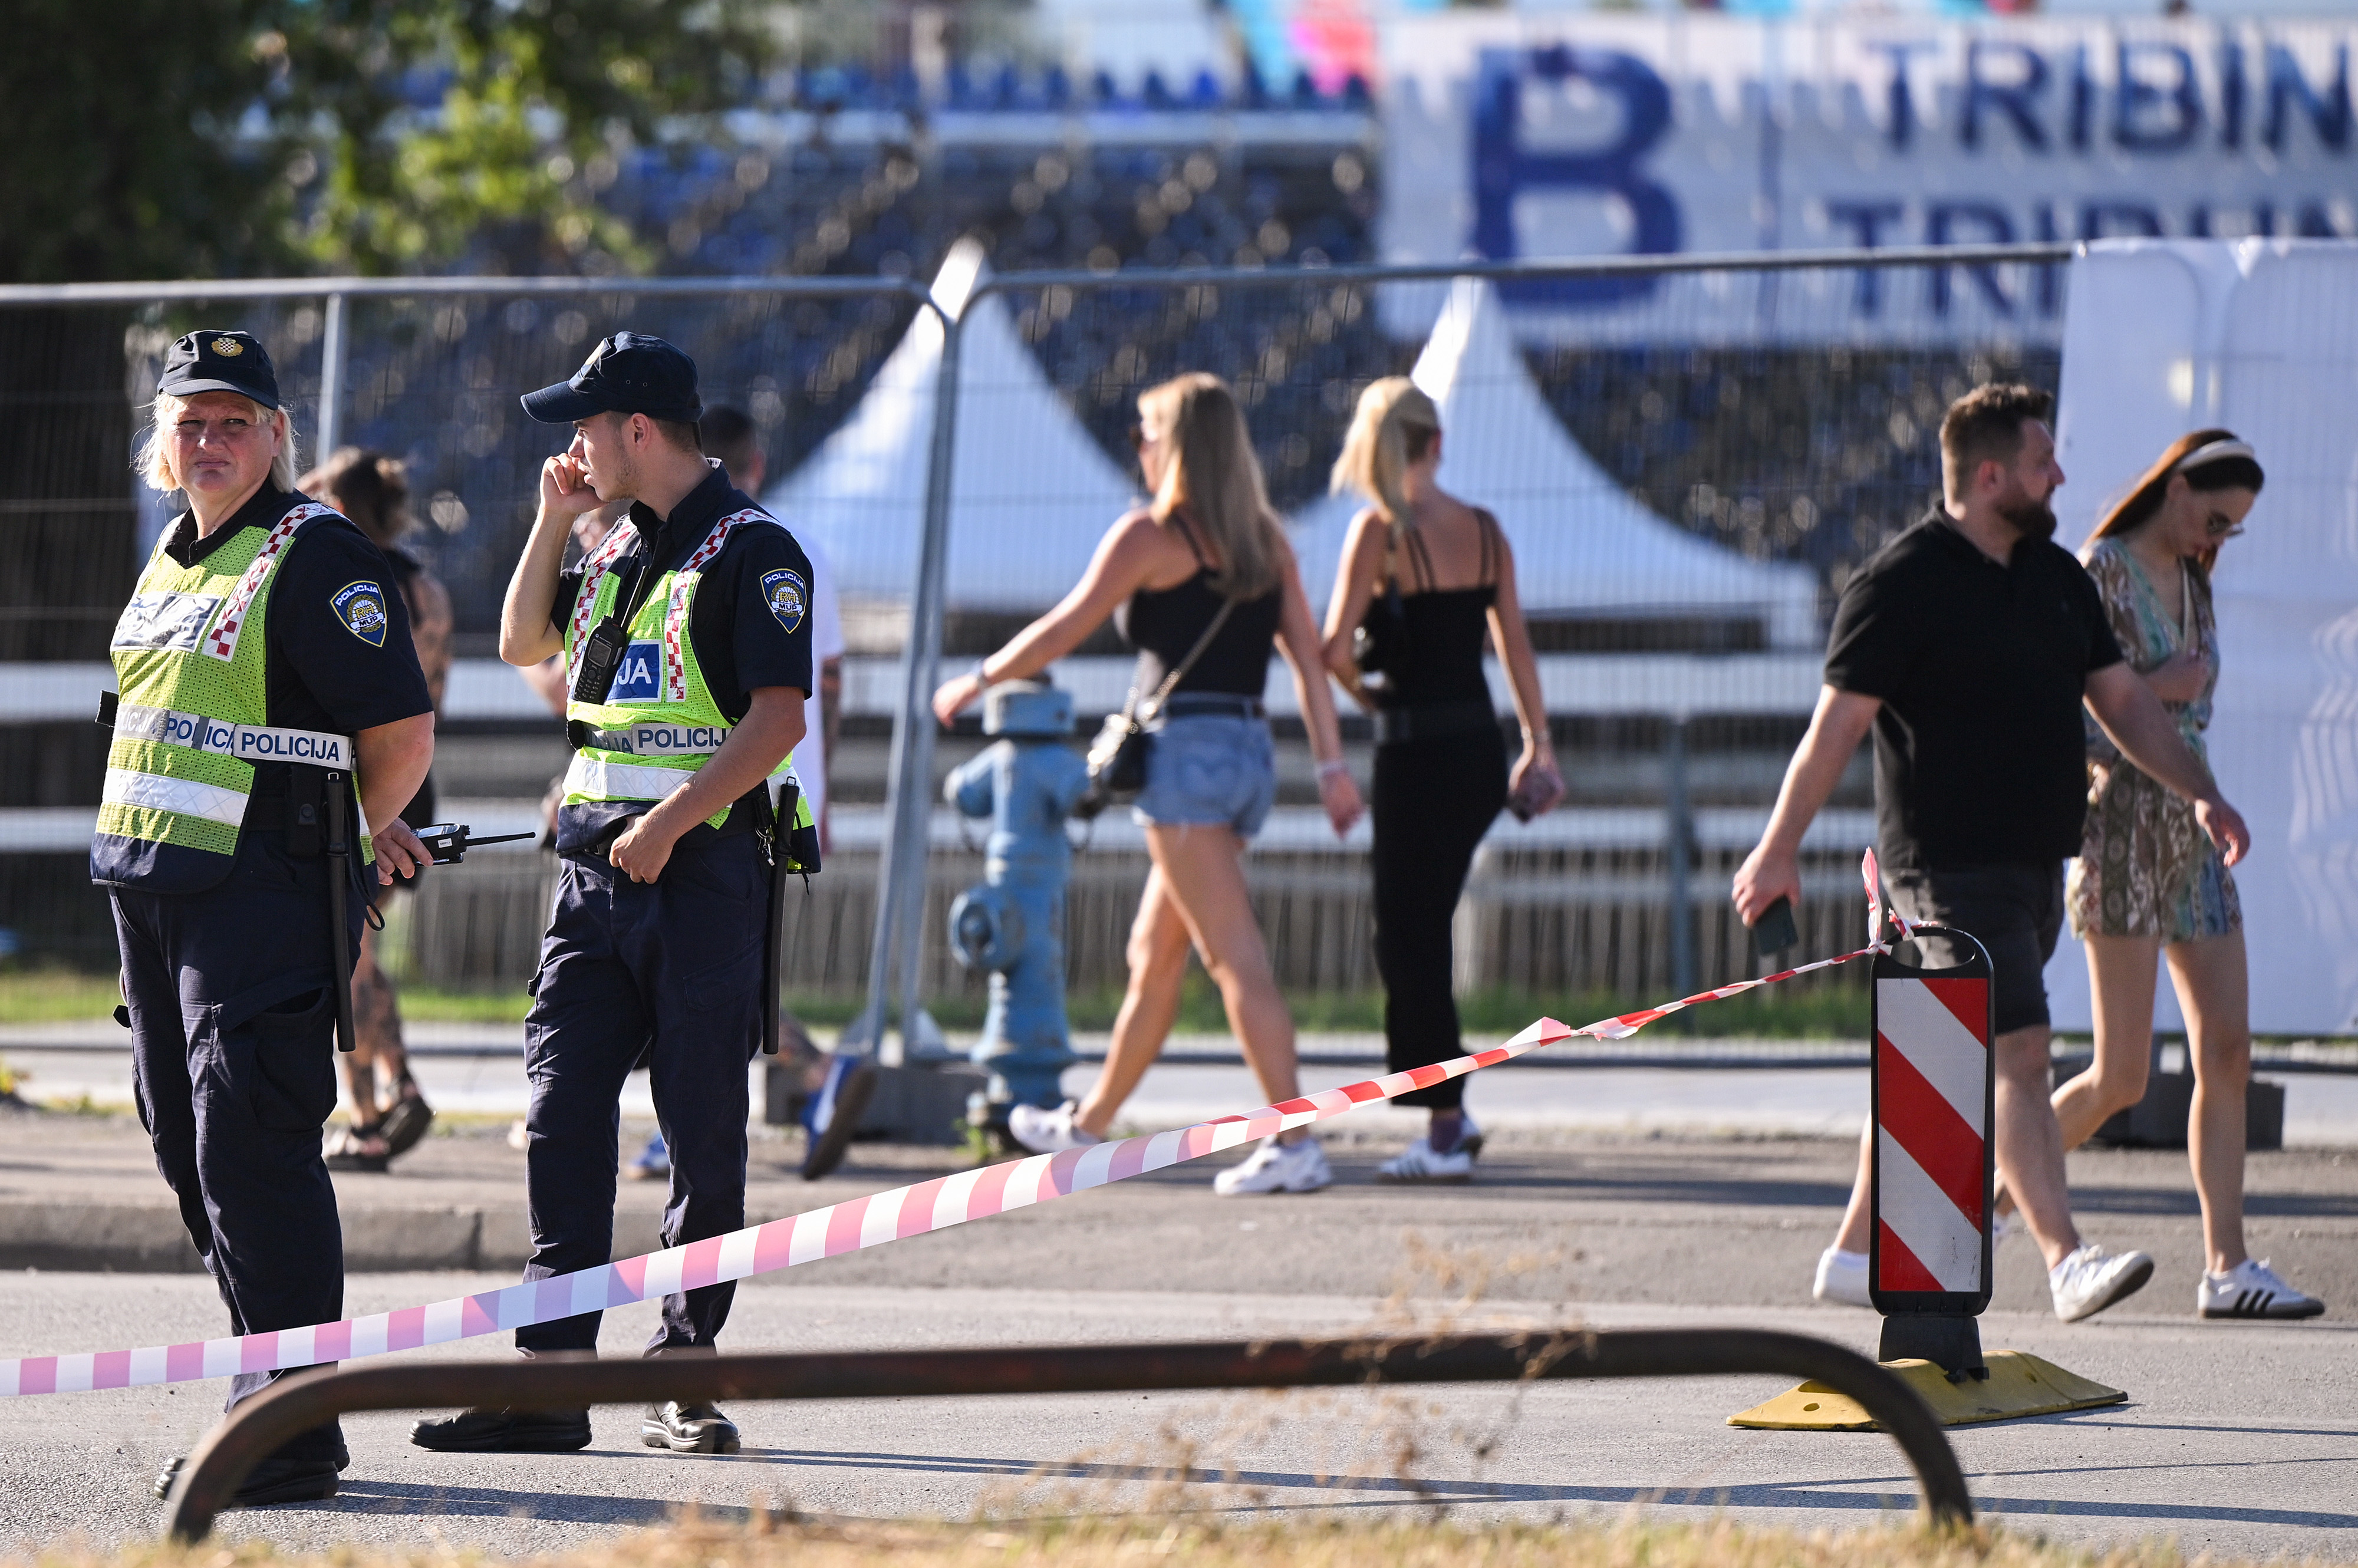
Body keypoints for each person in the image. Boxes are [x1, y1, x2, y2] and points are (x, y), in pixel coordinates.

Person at [1731, 383, 2251, 1325]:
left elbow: (2129, 707)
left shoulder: (2056, 580)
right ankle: (2064, 1256)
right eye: (2043, 460)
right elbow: (1832, 732)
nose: (2061, 475)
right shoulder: (1900, 583)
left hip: (2033, 869)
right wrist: (1777, 852)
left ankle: (1854, 1256)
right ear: (1990, 474)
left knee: (1939, 1063)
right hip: (1940, 869)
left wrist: (2204, 792)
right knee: (2017, 1051)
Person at [410, 332, 812, 1458]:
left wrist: (671, 823)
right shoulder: (605, 541)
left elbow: (777, 723)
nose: (573, 446)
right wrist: (550, 519)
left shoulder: (755, 549)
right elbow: (520, 638)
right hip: (592, 878)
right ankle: (551, 1383)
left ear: (640, 429)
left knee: (702, 1137)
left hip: (701, 878)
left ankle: (687, 1375)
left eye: (586, 427)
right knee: (562, 1121)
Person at [105, 331, 434, 1506]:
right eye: (191, 420)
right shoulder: (175, 552)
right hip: (156, 892)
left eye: (235, 420)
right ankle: (267, 1393)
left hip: (258, 900)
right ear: (164, 437)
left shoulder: (316, 553)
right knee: (189, 1148)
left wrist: (340, 846)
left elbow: (399, 737)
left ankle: (292, 1430)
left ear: (278, 434)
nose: (210, 440)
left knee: (254, 1145)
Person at [933, 373, 1364, 1193]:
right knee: (1154, 951)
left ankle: (1295, 1141)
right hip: (1245, 754)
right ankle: (1086, 1128)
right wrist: (1333, 767)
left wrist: (977, 680)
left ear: (1178, 446)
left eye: (1146, 431)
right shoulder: (1264, 541)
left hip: (1187, 759)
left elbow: (1065, 625)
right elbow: (1308, 665)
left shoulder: (1151, 535)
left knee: (1236, 960)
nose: (1138, 445)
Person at [2053, 431, 2321, 1320]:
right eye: (2213, 519)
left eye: (2231, 531)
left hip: (2194, 828)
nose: (2216, 541)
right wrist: (2154, 687)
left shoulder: (2196, 582)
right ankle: (1984, 1196)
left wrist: (2197, 770)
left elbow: (2191, 712)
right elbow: (2075, 720)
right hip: (2122, 828)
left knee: (2228, 1052)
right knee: (2122, 1074)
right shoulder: (2102, 571)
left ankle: (2228, 1265)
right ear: (2172, 489)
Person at [1319, 378, 1559, 1182]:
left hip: (1414, 753)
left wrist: (1368, 696)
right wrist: (1539, 744)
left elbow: (1332, 654)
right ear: (1438, 443)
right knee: (1426, 923)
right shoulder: (1485, 531)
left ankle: (1447, 1121)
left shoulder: (1380, 533)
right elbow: (1515, 645)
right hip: (1478, 753)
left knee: (1408, 933)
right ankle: (1448, 1113)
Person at [617, 403, 843, 1185]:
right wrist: (825, 787)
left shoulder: (761, 547)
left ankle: (811, 1075)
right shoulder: (785, 541)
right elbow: (831, 684)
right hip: (771, 785)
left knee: (702, 985)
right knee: (708, 983)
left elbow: (786, 701)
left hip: (726, 794)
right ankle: (801, 1082)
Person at [301, 449, 449, 1171]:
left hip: (364, 782)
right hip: (415, 776)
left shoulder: (352, 580)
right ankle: (400, 1080)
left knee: (346, 953)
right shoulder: (429, 590)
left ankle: (362, 1119)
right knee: (359, 943)